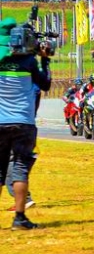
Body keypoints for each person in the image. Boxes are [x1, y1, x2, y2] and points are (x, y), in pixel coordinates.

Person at [0, 17, 51, 230]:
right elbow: (45, 84)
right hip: (23, 122)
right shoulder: (29, 62)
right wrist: (44, 60)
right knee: (20, 167)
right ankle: (19, 218)